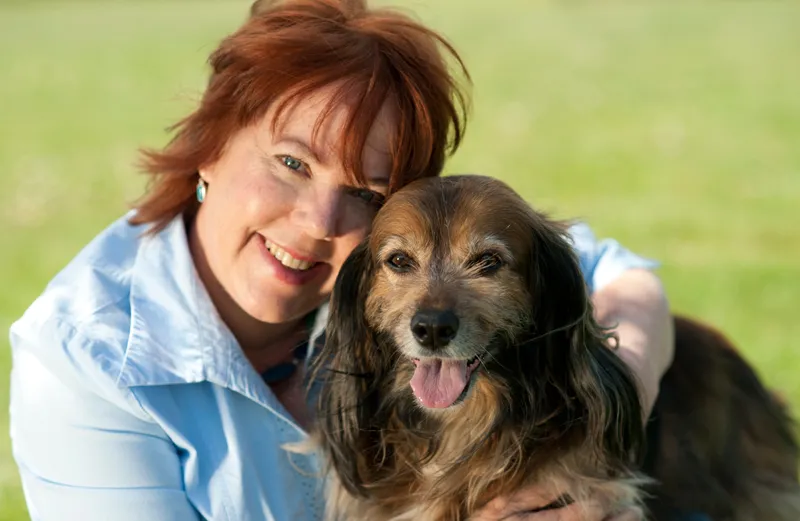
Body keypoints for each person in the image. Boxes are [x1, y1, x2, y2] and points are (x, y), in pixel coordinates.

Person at [7, 0, 675, 520]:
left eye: (365, 192)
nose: (320, 222)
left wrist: (604, 426)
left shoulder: (395, 265)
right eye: (291, 163)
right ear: (208, 144)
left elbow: (626, 278)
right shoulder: (81, 363)